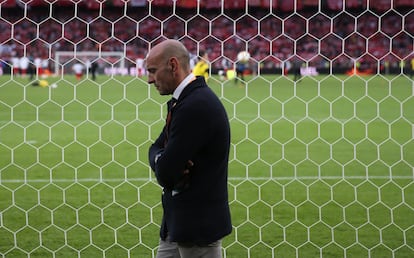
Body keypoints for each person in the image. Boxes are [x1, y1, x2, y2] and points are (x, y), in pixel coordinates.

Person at [147, 39, 232, 258]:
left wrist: (163, 161)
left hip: (197, 226)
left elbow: (166, 174)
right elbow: (156, 148)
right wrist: (161, 158)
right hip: (179, 222)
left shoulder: (195, 106)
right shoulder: (187, 100)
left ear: (173, 65)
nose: (149, 79)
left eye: (153, 71)